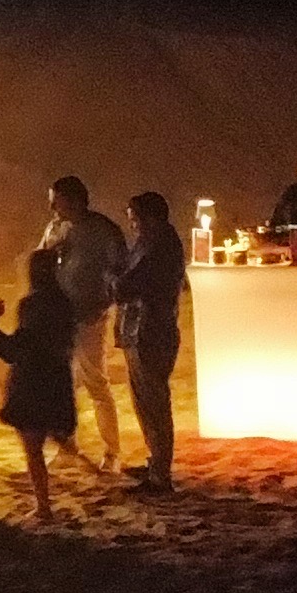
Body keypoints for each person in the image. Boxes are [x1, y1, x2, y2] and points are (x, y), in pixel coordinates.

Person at [0, 246, 78, 522]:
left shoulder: (31, 305)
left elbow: (23, 345)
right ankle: (46, 500)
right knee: (45, 437)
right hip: (56, 380)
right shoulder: (64, 303)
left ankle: (44, 505)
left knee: (33, 450)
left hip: (31, 382)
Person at [36, 176, 127, 474]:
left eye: (57, 201)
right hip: (60, 317)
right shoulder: (55, 228)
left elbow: (120, 271)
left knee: (96, 383)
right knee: (63, 384)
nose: (52, 208)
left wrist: (105, 302)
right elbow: (40, 262)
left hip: (90, 316)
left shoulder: (103, 231)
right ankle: (67, 447)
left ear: (75, 200)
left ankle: (112, 452)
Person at [117, 190, 186, 492]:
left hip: (151, 331)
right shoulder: (153, 242)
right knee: (145, 402)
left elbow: (130, 285)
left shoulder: (158, 246)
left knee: (154, 403)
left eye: (135, 219)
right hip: (143, 329)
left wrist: (111, 280)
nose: (132, 225)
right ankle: (156, 462)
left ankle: (160, 473)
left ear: (150, 218)